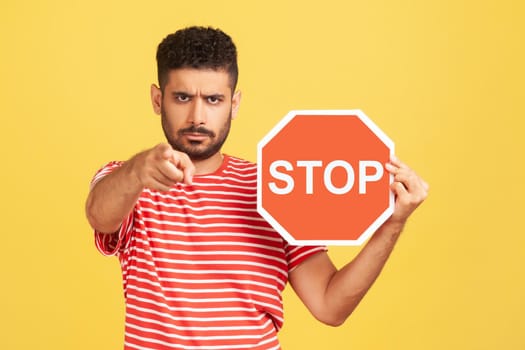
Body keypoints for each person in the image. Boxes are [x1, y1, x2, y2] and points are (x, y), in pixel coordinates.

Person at [85, 26, 428, 350]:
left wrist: (392, 223)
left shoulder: (277, 186)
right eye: (183, 97)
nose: (197, 116)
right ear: (158, 100)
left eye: (214, 99)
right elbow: (100, 215)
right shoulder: (130, 181)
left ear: (234, 104)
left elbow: (329, 305)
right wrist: (136, 173)